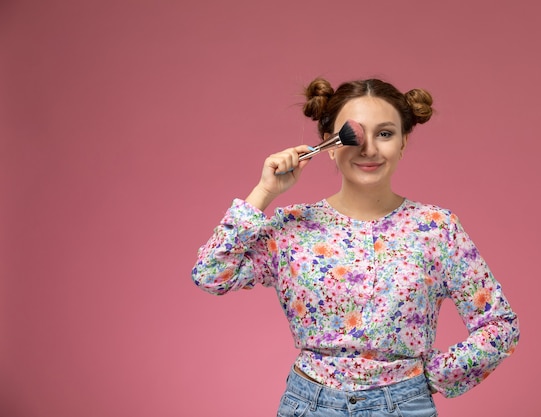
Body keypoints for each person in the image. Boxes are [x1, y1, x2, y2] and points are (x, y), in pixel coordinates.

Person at [191, 77, 520, 417]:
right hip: (310, 405)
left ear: (404, 142)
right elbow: (211, 274)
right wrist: (264, 192)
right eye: (357, 133)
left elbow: (500, 325)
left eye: (386, 133)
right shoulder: (292, 227)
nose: (369, 149)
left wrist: (432, 377)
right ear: (329, 144)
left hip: (404, 407)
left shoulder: (436, 229)